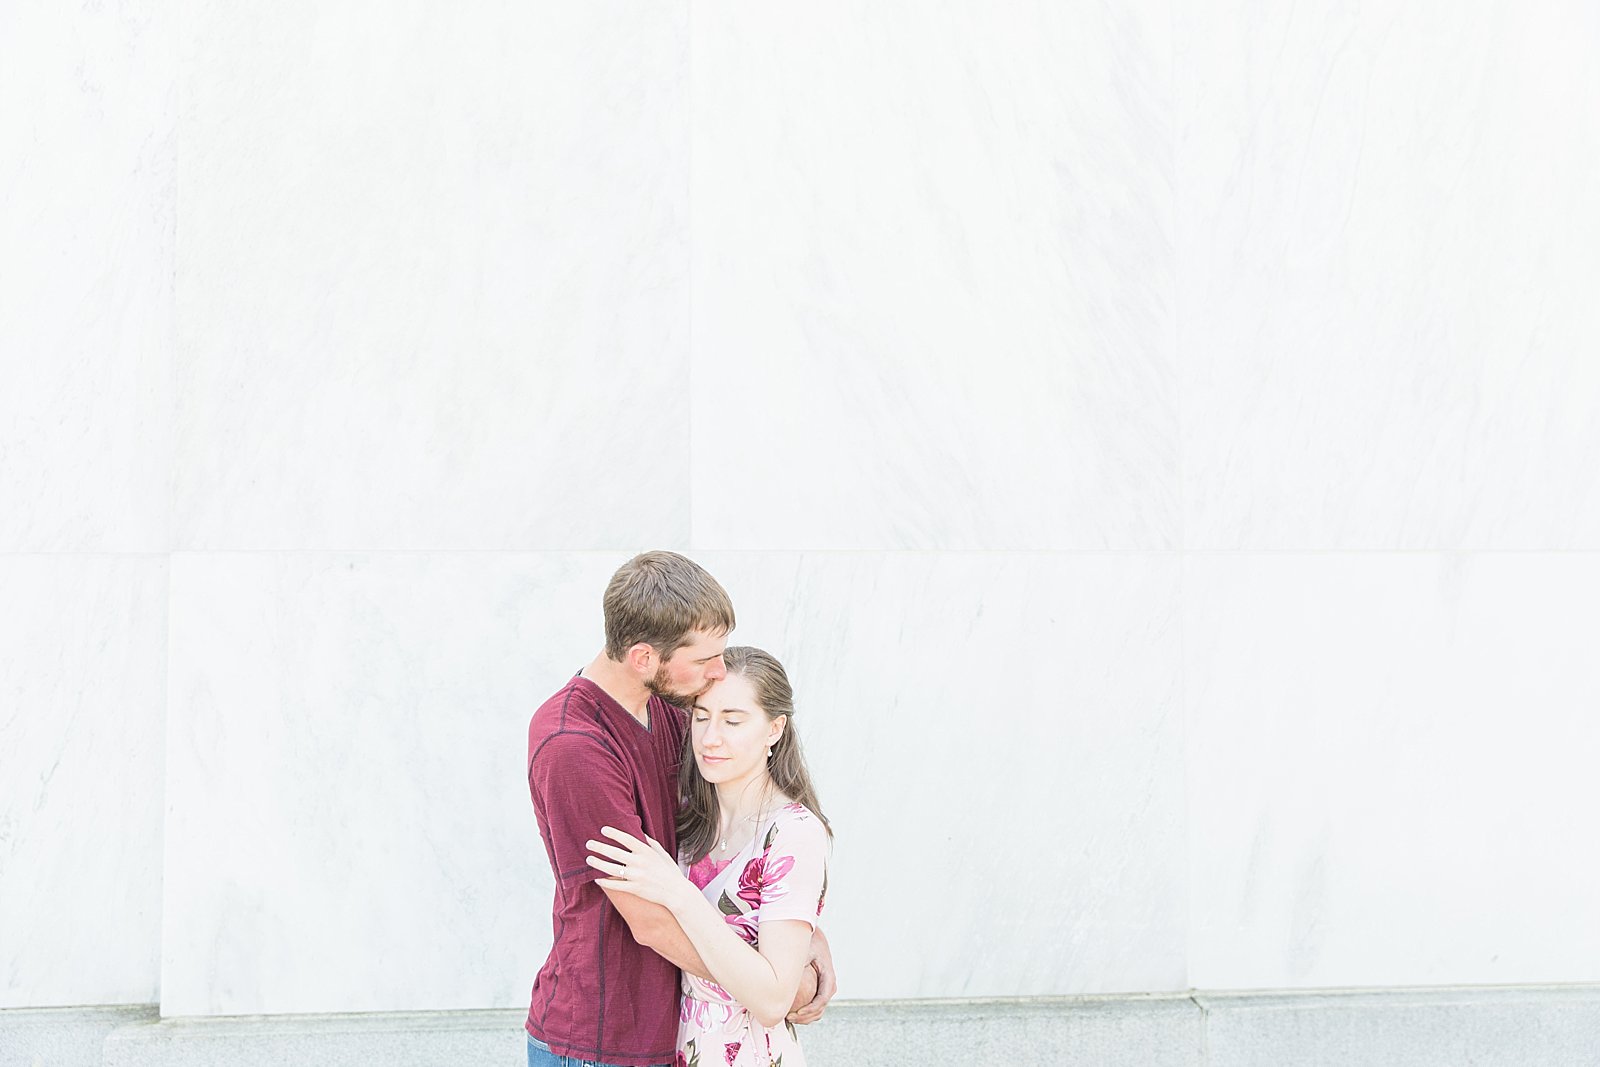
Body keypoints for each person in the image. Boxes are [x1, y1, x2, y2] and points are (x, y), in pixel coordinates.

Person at [525, 554, 834, 1067]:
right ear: (643, 657)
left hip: (675, 1031)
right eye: (706, 658)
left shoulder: (672, 705)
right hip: (603, 1038)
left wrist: (800, 934)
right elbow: (650, 921)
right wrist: (779, 985)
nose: (719, 671)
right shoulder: (574, 745)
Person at [586, 646, 832, 1067]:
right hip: (677, 1047)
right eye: (701, 717)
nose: (710, 738)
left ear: (774, 729)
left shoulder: (794, 833)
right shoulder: (686, 816)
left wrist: (679, 895)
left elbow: (773, 1000)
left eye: (733, 721)